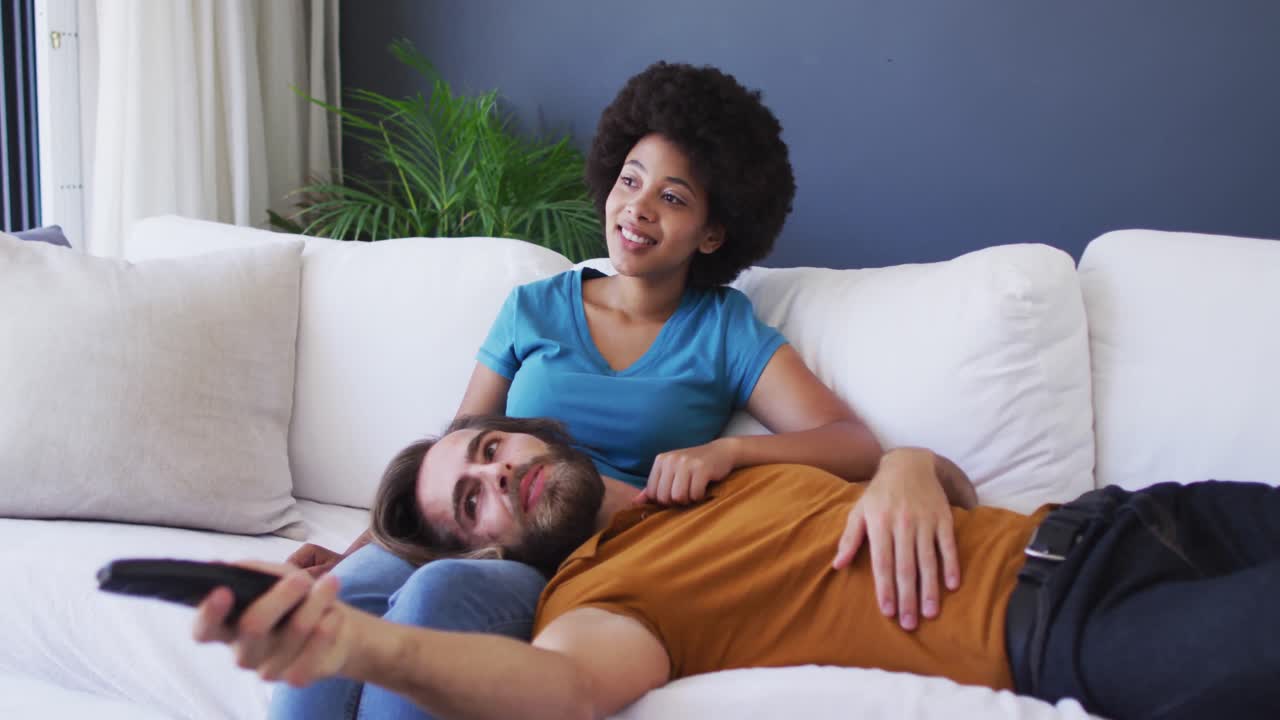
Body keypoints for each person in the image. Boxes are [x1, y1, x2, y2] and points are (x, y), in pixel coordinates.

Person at [272, 62, 958, 719]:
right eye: (630, 180)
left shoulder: (722, 330)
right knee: (344, 595)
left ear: (714, 232)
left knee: (438, 592)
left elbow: (852, 445)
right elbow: (456, 447)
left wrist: (727, 453)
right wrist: (358, 547)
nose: (638, 207)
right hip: (482, 525)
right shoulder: (534, 307)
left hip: (579, 559)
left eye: (673, 197)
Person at [196, 415, 1280, 720]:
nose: (498, 480)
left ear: (534, 435)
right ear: (485, 553)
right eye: (467, 506)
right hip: (1066, 631)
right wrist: (355, 639)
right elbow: (563, 692)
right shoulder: (591, 598)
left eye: (489, 453)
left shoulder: (711, 471)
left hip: (1128, 519)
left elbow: (924, 468)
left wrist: (908, 465)